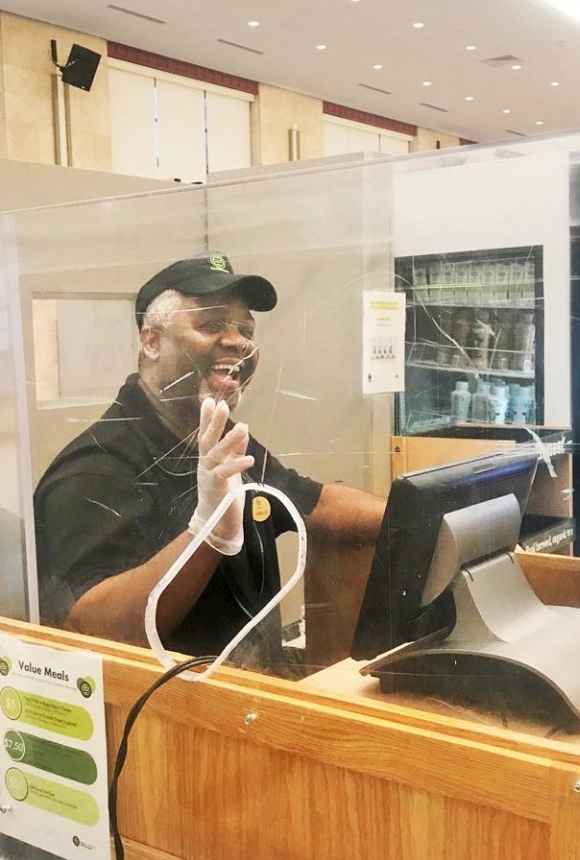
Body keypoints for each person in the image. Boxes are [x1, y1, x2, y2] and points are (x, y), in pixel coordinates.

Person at [34, 255, 384, 674]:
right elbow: (90, 630)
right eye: (212, 325)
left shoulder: (217, 437)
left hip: (247, 694)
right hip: (171, 718)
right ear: (151, 342)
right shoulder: (96, 466)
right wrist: (207, 534)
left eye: (246, 330)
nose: (238, 342)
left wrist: (417, 516)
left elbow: (313, 503)